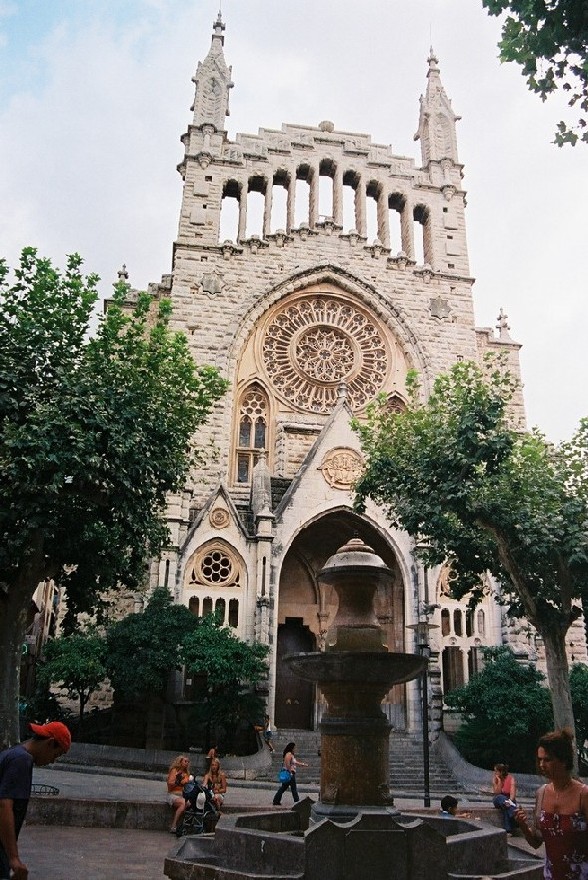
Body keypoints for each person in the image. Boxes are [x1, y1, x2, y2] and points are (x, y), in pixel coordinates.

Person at [0, 720, 71, 880]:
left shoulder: (16, 754)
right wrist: (14, 858)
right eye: (56, 754)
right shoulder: (21, 760)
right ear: (50, 743)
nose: (52, 761)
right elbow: (4, 805)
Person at [514, 728, 588, 880]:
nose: (541, 764)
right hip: (551, 876)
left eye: (547, 760)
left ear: (564, 760)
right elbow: (535, 842)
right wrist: (522, 825)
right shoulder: (541, 793)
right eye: (539, 759)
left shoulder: (583, 795)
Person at [272, 742, 307, 806]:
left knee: (283, 788)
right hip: (289, 773)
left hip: (290, 773)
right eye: (294, 747)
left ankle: (276, 800)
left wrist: (302, 764)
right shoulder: (288, 755)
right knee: (293, 788)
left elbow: (294, 762)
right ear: (292, 748)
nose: (295, 749)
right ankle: (297, 801)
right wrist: (290, 771)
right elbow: (287, 764)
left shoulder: (291, 754)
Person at [166, 755, 191, 834]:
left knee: (189, 803)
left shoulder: (187, 774)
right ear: (180, 762)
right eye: (185, 761)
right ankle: (173, 826)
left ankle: (184, 825)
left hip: (182, 795)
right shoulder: (174, 771)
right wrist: (178, 781)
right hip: (173, 795)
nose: (187, 763)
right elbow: (169, 784)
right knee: (183, 803)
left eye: (188, 762)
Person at [492, 762, 518, 833]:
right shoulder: (495, 779)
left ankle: (508, 830)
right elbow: (497, 793)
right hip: (498, 799)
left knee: (506, 807)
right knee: (500, 797)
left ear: (501, 771)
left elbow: (512, 794)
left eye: (496, 771)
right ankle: (514, 814)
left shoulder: (511, 779)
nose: (495, 773)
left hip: (509, 800)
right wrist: (499, 781)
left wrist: (508, 802)